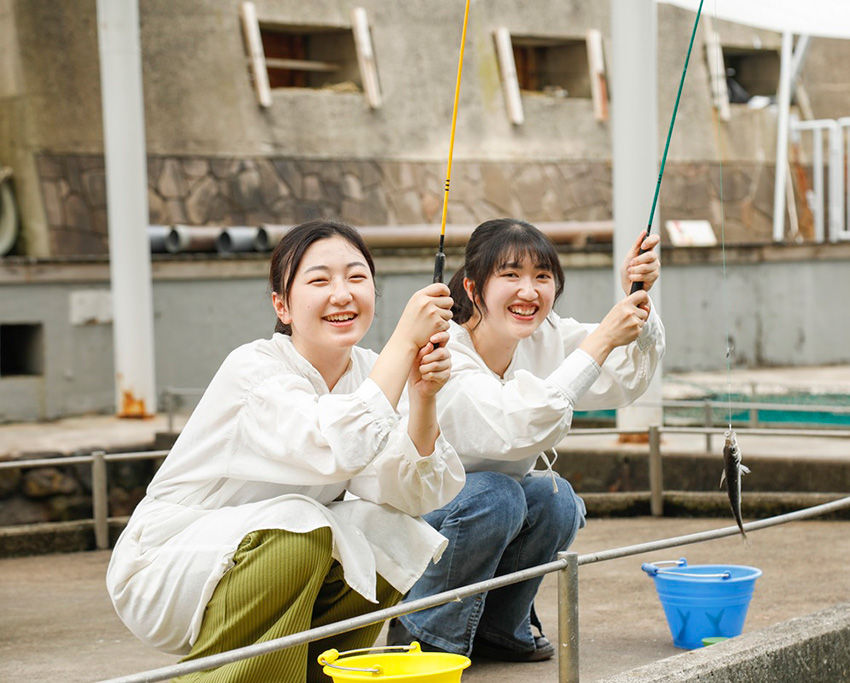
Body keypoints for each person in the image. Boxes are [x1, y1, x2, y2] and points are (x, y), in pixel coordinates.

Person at [106, 220, 465, 682]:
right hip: (170, 562)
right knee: (303, 525)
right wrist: (403, 342)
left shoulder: (372, 372)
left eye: (357, 278)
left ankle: (320, 674)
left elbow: (411, 495)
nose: (342, 294)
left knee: (390, 528)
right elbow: (334, 444)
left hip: (271, 553)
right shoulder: (254, 371)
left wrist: (424, 398)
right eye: (319, 280)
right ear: (283, 304)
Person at [388, 218, 665, 661]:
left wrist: (637, 302)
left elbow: (626, 374)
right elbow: (512, 425)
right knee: (497, 495)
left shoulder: (545, 335)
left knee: (556, 498)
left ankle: (501, 628)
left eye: (542, 276)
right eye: (511, 274)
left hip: (484, 509)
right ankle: (424, 631)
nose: (529, 291)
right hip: (412, 521)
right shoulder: (446, 352)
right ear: (474, 288)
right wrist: (603, 338)